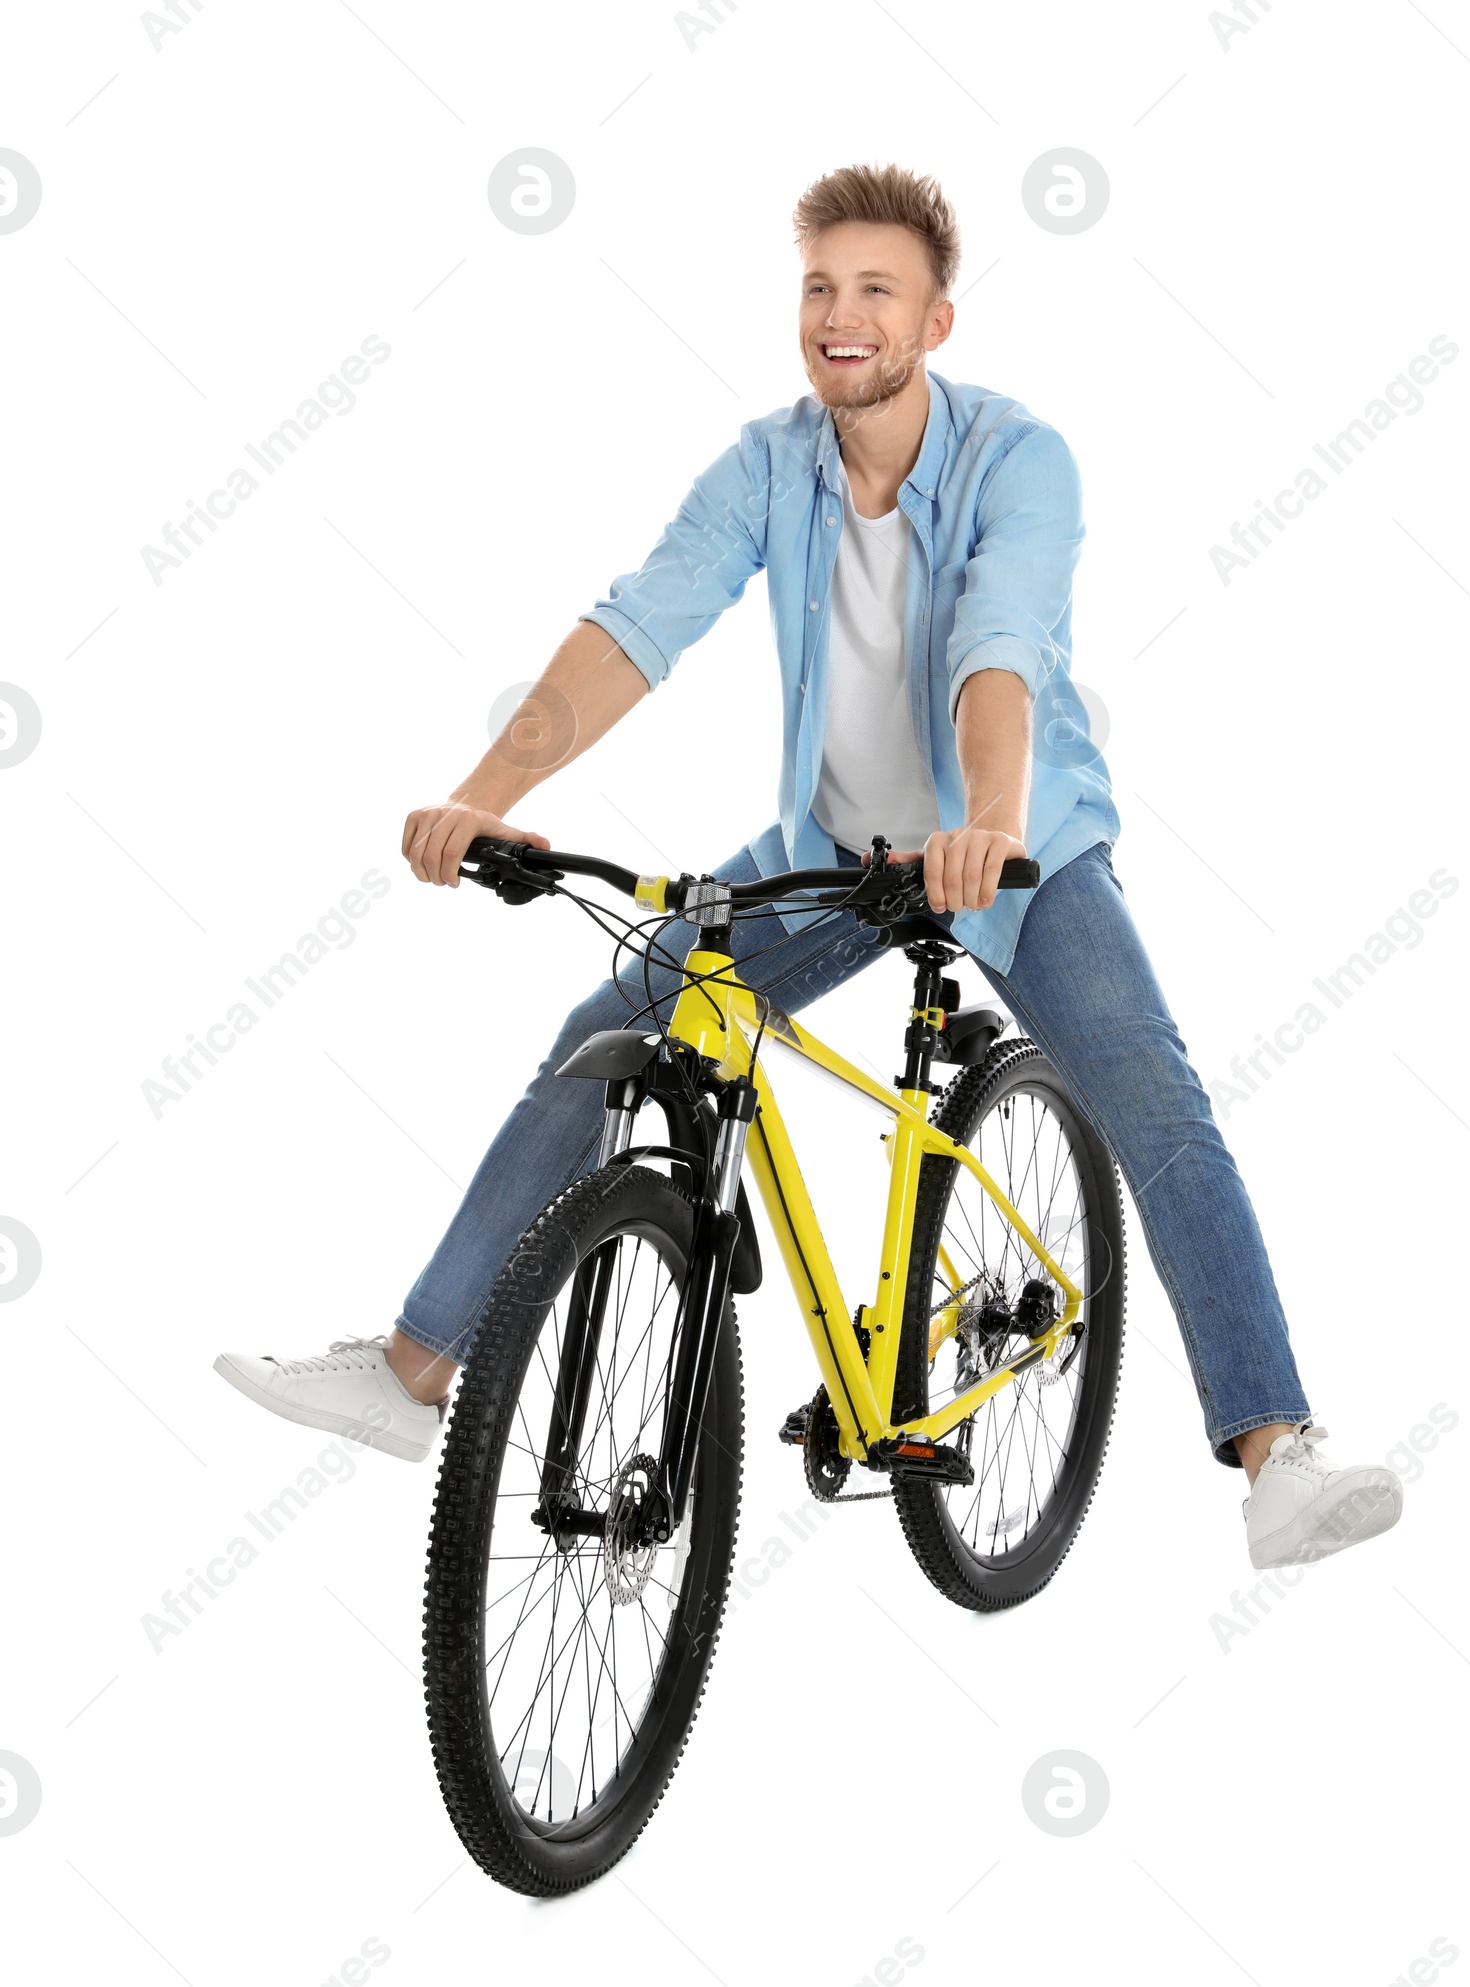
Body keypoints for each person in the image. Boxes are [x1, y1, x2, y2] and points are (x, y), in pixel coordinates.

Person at [215, 163, 1402, 1571]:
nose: (840, 316)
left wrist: (994, 825)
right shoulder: (767, 465)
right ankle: (416, 1371)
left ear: (935, 323)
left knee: (1157, 1108)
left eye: (875, 290)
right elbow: (635, 629)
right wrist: (484, 799)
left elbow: (1001, 643)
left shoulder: (1020, 458)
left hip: (1018, 854)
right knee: (611, 1024)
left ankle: (1277, 1453)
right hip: (834, 853)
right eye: (820, 287)